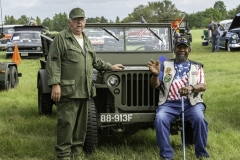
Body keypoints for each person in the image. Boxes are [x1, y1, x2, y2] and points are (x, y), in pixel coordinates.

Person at [46, 7, 124, 160]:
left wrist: (110, 67)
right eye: (76, 20)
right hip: (68, 90)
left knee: (81, 127)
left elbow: (94, 60)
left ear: (85, 22)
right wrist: (55, 84)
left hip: (85, 90)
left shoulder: (86, 39)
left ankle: (76, 153)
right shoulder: (61, 38)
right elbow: (53, 62)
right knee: (66, 124)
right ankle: (63, 155)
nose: (79, 23)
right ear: (70, 22)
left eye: (81, 20)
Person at [147, 36, 209, 160]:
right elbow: (155, 85)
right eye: (179, 47)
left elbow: (203, 86)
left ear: (189, 50)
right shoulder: (165, 64)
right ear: (174, 49)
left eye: (184, 47)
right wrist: (155, 75)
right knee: (160, 118)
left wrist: (191, 87)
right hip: (169, 103)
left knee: (200, 119)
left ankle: (201, 154)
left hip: (192, 103)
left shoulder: (197, 66)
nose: (182, 50)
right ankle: (166, 155)